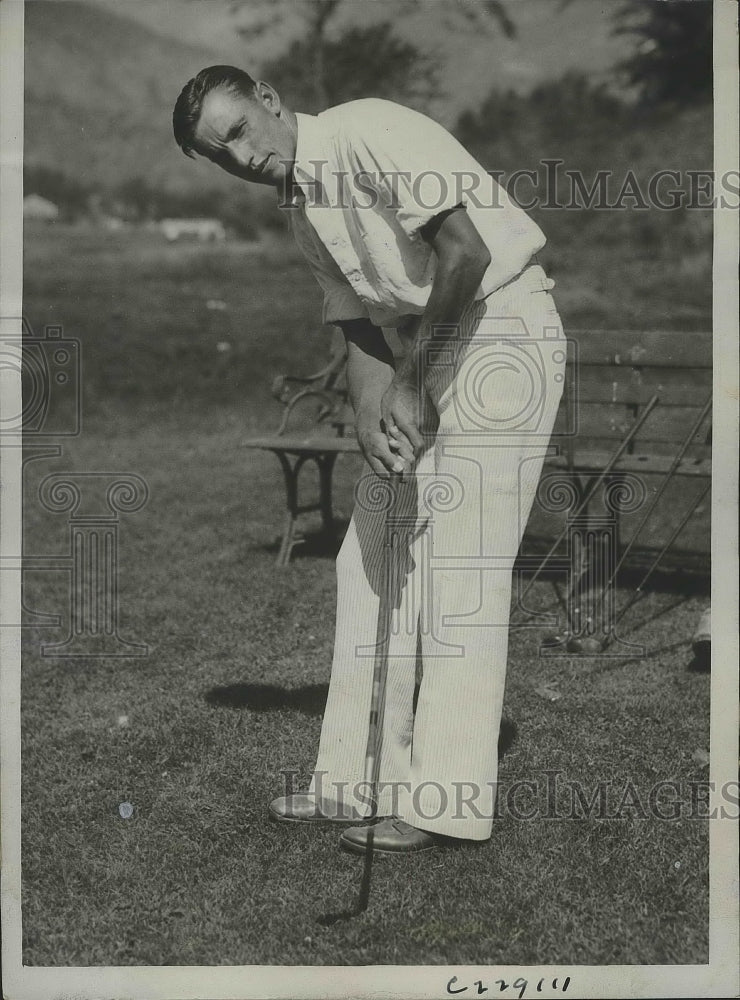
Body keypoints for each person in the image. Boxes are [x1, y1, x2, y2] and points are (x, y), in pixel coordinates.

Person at [173, 66, 566, 855]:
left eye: (241, 130)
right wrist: (372, 418)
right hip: (428, 350)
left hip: (503, 336)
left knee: (462, 565)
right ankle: (353, 780)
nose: (242, 158)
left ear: (271, 101)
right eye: (220, 155)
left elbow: (466, 254)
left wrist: (414, 386)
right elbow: (358, 329)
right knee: (370, 561)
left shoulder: (369, 129)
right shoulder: (304, 210)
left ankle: (442, 801)